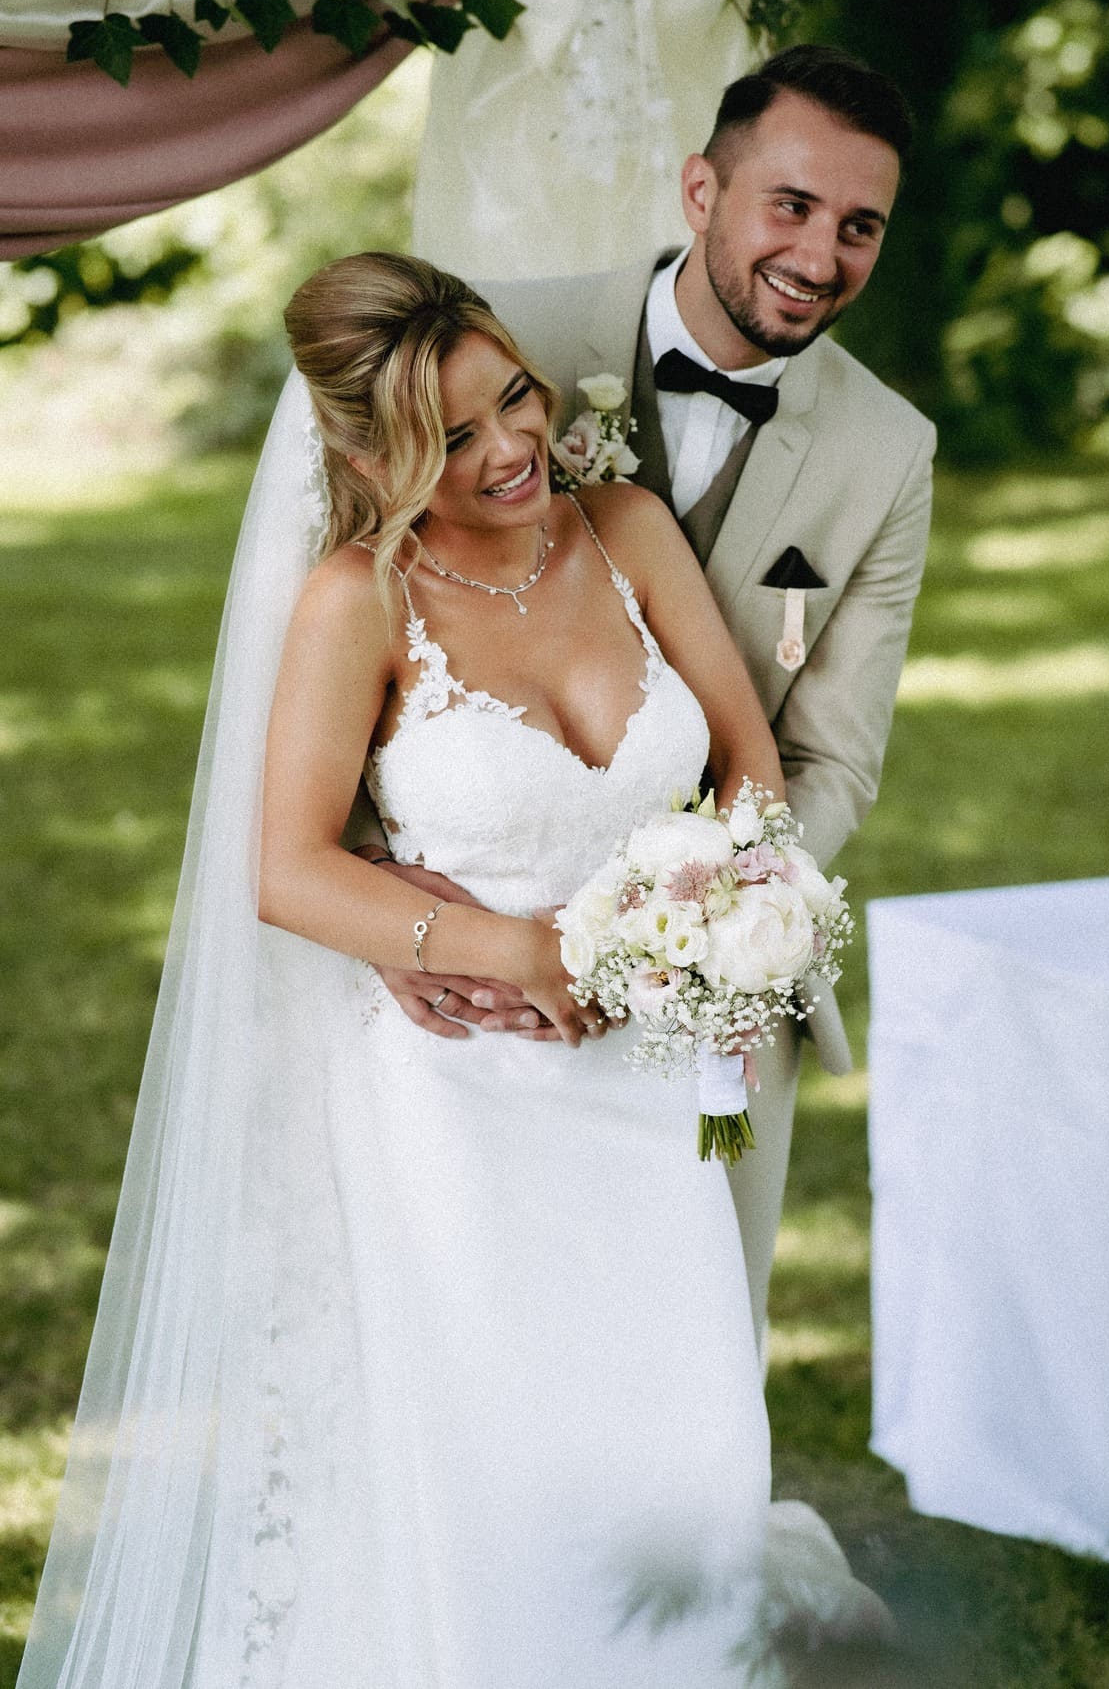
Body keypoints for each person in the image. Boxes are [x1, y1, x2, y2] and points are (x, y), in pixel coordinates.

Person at [16, 253, 893, 1689]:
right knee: (510, 1454)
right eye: (457, 435)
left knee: (691, 1419)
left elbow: (748, 771)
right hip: (465, 1106)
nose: (510, 452)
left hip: (666, 1078)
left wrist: (709, 923)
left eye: (516, 401)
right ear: (370, 456)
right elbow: (285, 865)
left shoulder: (624, 530)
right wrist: (510, 948)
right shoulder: (357, 605)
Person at [363, 44, 938, 1356]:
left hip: (726, 995)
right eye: (789, 204)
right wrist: (400, 919)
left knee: (703, 1329)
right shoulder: (505, 345)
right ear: (702, 190)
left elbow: (833, 760)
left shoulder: (890, 452)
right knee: (482, 1331)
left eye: (861, 226)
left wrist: (680, 933)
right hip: (474, 970)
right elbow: (350, 617)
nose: (820, 253)